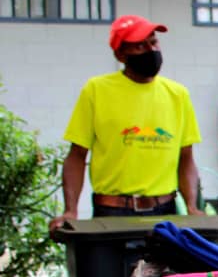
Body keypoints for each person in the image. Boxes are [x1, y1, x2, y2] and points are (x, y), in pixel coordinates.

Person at [49, 14, 202, 231]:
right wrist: (70, 210)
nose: (151, 50)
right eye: (139, 46)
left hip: (165, 210)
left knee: (165, 266)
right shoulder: (96, 90)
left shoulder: (178, 94)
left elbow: (186, 158)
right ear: (120, 54)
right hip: (112, 211)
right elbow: (76, 156)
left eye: (153, 42)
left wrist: (191, 207)